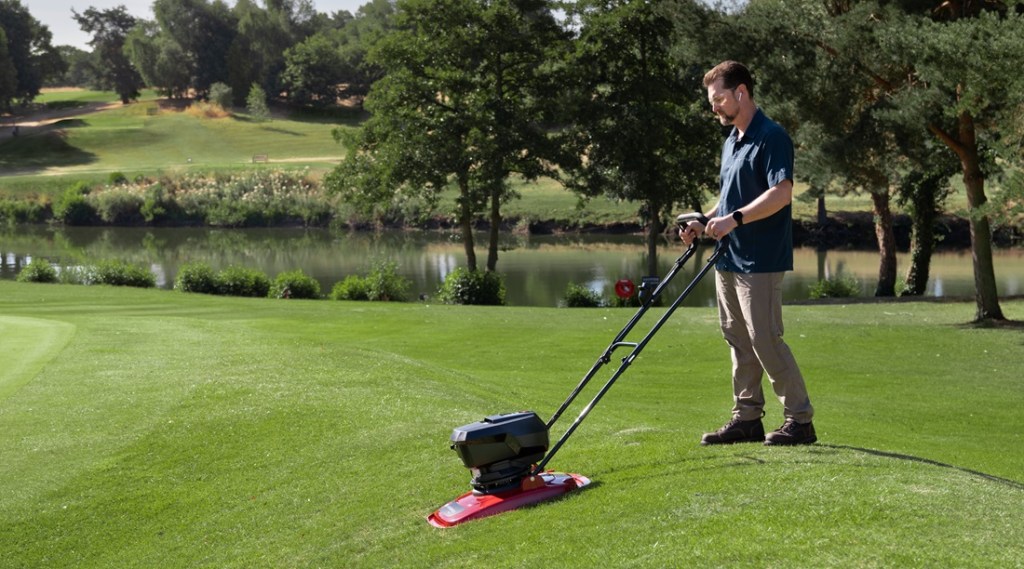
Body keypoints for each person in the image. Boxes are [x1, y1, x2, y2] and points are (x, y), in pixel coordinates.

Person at [679, 60, 816, 446]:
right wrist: (703, 221)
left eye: (719, 98)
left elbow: (781, 194)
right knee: (737, 338)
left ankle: (800, 421)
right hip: (728, 256)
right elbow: (728, 200)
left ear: (741, 92)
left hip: (760, 259)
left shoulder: (771, 136)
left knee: (764, 338)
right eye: (711, 101)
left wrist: (735, 220)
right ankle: (747, 418)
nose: (714, 107)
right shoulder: (732, 141)